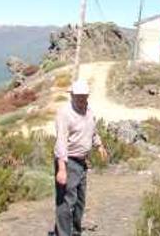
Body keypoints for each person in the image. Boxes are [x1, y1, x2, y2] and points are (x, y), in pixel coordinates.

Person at [52, 78, 108, 236]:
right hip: (68, 161)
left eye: (85, 96)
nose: (82, 99)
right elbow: (61, 141)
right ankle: (63, 233)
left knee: (79, 201)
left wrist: (99, 146)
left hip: (82, 162)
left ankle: (75, 232)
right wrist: (62, 169)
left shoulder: (88, 110)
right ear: (72, 95)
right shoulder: (64, 113)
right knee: (66, 202)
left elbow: (92, 130)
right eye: (79, 96)